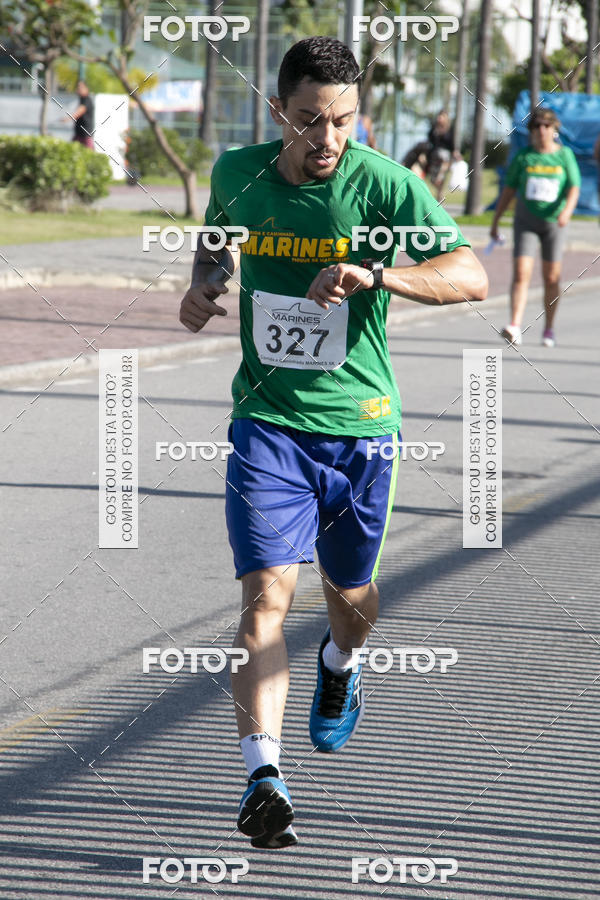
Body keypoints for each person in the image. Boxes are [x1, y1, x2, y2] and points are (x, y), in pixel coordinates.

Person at [179, 36, 488, 849]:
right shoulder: (236, 173)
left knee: (351, 604)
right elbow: (217, 239)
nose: (328, 139)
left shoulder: (386, 184)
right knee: (264, 601)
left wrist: (379, 275)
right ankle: (263, 778)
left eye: (343, 121)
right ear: (277, 111)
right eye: (310, 120)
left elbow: (471, 275)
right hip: (267, 423)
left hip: (362, 428)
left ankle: (340, 667)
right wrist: (204, 284)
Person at [490, 107, 580, 347]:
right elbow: (509, 189)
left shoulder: (564, 156)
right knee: (522, 272)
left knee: (551, 277)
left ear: (554, 129)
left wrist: (567, 212)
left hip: (554, 222)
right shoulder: (524, 157)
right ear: (531, 131)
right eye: (537, 126)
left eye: (546, 126)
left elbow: (574, 187)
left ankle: (549, 327)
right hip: (526, 220)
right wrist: (496, 220)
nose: (541, 130)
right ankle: (515, 325)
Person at [427, 109, 454, 200]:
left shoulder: (449, 129)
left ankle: (439, 198)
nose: (439, 118)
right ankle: (439, 195)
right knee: (433, 181)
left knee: (443, 157)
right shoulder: (434, 129)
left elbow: (451, 143)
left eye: (442, 117)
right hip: (434, 157)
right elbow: (430, 140)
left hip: (445, 156)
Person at [70, 81, 94, 149]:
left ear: (87, 88)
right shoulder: (81, 100)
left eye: (81, 87)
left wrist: (68, 118)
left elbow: (80, 111)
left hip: (85, 135)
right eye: (78, 87)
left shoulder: (87, 100)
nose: (79, 89)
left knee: (88, 153)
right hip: (78, 134)